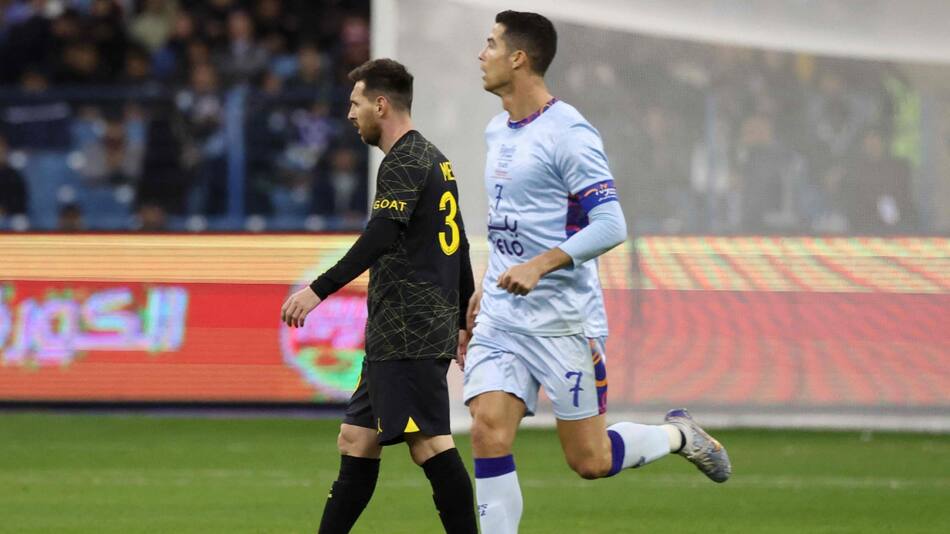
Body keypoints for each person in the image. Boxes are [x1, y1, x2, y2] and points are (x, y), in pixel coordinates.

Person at [461, 11, 732, 533]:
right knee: (487, 430)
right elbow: (509, 224)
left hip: (563, 323)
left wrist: (541, 265)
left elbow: (611, 224)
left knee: (590, 461)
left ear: (519, 58)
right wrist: (484, 283)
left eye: (491, 44)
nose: (482, 53)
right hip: (502, 317)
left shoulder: (569, 132)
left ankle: (680, 437)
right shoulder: (497, 129)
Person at [280, 58, 478, 534]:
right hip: (401, 327)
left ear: (381, 104)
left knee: (429, 444)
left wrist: (318, 289)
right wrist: (462, 317)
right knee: (356, 439)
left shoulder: (404, 160)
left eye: (356, 102)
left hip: (408, 327)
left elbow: (381, 236)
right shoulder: (433, 158)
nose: (350, 113)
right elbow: (459, 241)